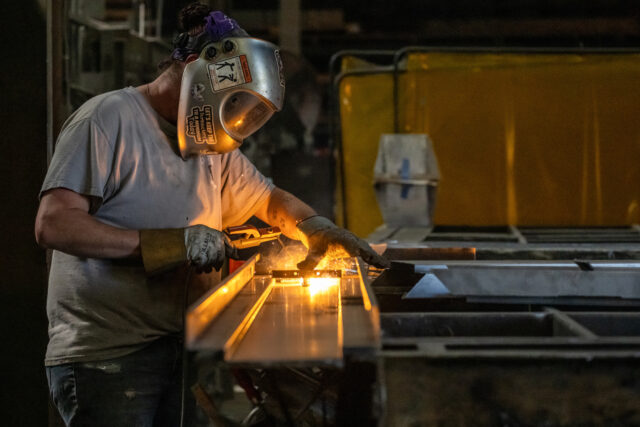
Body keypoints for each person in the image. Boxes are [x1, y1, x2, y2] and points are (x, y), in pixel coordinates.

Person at [35, 3, 389, 425]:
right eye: (234, 102)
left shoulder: (212, 149)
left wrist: (316, 228)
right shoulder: (108, 119)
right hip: (110, 358)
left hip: (180, 350)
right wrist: (170, 244)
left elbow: (268, 201)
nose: (235, 120)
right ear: (197, 68)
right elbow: (53, 223)